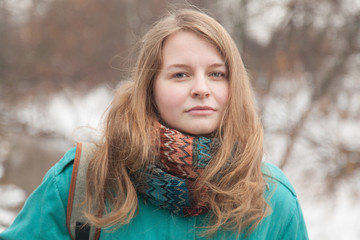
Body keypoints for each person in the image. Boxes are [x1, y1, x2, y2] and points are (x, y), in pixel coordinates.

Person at [0, 8, 308, 240]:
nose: (202, 88)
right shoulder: (85, 181)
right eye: (180, 74)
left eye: (217, 74)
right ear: (150, 88)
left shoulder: (271, 198)